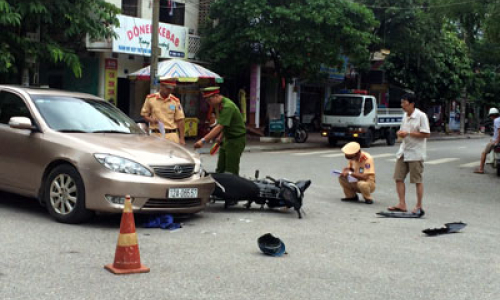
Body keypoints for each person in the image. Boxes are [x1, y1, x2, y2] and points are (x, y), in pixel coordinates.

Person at [388, 93, 430, 214]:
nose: (402, 106)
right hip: (403, 151)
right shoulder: (404, 116)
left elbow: (426, 134)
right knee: (398, 178)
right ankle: (402, 203)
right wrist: (400, 134)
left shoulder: (421, 116)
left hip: (416, 152)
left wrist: (409, 134)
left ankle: (419, 205)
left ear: (412, 104)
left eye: (404, 103)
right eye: (401, 103)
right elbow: (403, 131)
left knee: (417, 180)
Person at [194, 87, 246, 175]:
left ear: (216, 96)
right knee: (220, 168)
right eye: (207, 101)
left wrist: (203, 141)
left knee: (231, 171)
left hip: (235, 140)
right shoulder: (218, 105)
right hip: (226, 138)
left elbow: (219, 126)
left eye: (209, 100)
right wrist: (220, 138)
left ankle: (231, 188)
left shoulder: (227, 106)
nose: (209, 103)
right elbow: (226, 124)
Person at [140, 80, 185, 145]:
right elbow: (144, 115)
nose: (169, 90)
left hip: (171, 135)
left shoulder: (175, 101)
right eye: (168, 88)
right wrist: (151, 120)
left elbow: (180, 120)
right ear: (161, 86)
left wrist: (182, 138)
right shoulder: (150, 99)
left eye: (171, 88)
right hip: (155, 135)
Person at [474, 107, 500, 174]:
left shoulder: (496, 120)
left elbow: (499, 131)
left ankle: (481, 169)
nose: (490, 117)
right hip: (496, 139)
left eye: (490, 116)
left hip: (496, 141)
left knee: (484, 153)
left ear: (492, 115)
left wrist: (496, 141)